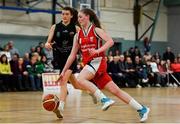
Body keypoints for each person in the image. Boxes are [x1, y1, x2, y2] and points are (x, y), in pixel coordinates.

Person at [58, 8, 150, 122]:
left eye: (81, 17)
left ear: (88, 17)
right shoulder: (78, 36)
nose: (79, 19)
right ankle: (142, 109)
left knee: (80, 79)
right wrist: (63, 71)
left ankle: (104, 100)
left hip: (98, 61)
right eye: (78, 17)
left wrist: (97, 51)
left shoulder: (96, 30)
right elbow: (72, 55)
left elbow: (110, 41)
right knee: (116, 91)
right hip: (90, 66)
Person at [45, 7, 114, 119]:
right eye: (63, 14)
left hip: (70, 59)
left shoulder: (76, 28)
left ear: (72, 16)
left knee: (62, 82)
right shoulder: (55, 27)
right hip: (58, 59)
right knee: (76, 85)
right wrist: (47, 45)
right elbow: (47, 42)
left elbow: (84, 41)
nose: (64, 16)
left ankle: (60, 107)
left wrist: (91, 53)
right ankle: (90, 91)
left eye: (67, 14)